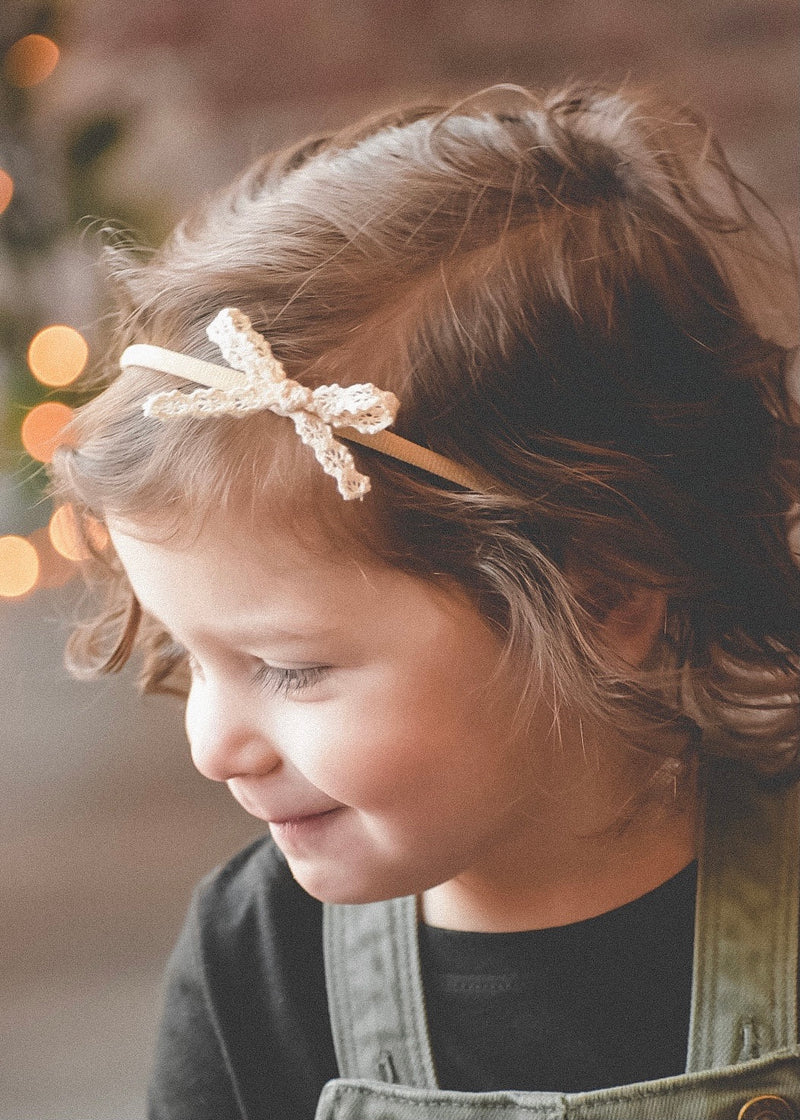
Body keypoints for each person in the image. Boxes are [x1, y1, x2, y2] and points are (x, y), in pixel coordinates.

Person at [51, 83, 799, 1119]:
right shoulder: (257, 965)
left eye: (291, 667)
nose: (212, 745)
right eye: (189, 654)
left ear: (604, 596)